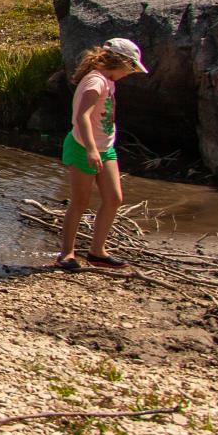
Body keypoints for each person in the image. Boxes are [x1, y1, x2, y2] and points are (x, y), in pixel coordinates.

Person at [56, 37, 149, 271]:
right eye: (131, 68)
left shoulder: (109, 82)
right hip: (82, 147)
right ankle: (66, 254)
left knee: (114, 198)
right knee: (80, 201)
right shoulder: (95, 82)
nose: (130, 73)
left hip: (105, 148)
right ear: (120, 62)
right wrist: (90, 149)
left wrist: (100, 148)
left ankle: (97, 252)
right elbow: (82, 117)